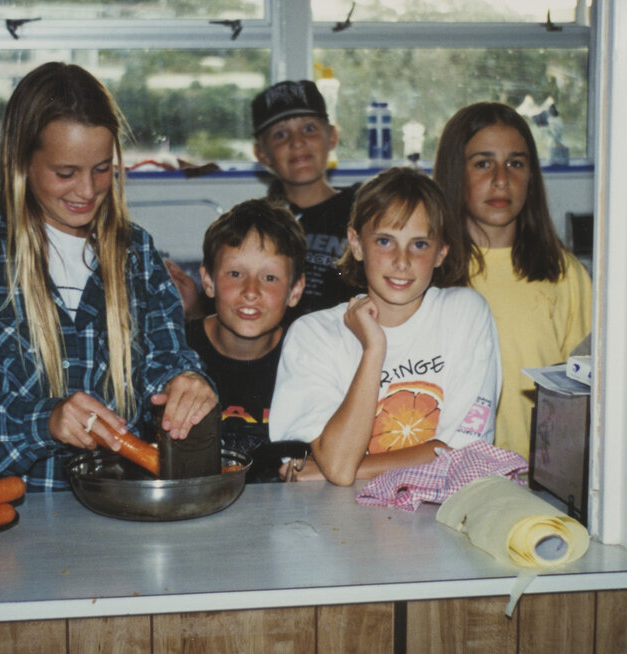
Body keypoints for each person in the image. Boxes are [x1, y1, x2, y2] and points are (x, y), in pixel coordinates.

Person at [0, 62, 217, 490]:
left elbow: (163, 361)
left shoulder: (136, 254)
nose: (87, 191)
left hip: (112, 520)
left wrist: (185, 383)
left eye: (102, 169)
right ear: (21, 162)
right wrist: (45, 422)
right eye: (65, 173)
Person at [269, 167, 501, 486]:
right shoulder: (312, 334)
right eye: (384, 241)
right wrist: (373, 349)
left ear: (441, 252)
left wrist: (341, 469)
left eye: (419, 244)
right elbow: (338, 463)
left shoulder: (465, 313)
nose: (401, 261)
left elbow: (461, 456)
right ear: (356, 243)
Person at [432, 101, 592, 459]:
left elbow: (585, 393)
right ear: (456, 172)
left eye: (516, 163)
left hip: (539, 477)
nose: (501, 179)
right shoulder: (428, 271)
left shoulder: (565, 275)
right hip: (444, 475)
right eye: (483, 163)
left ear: (532, 176)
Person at [185, 198, 306, 479]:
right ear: (208, 281)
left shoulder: (307, 356)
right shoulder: (175, 351)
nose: (251, 291)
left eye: (270, 278)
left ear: (296, 289)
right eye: (235, 273)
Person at [252, 80, 359, 319]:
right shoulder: (257, 222)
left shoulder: (364, 210)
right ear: (261, 153)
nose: (297, 142)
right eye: (280, 134)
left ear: (331, 137)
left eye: (309, 128)